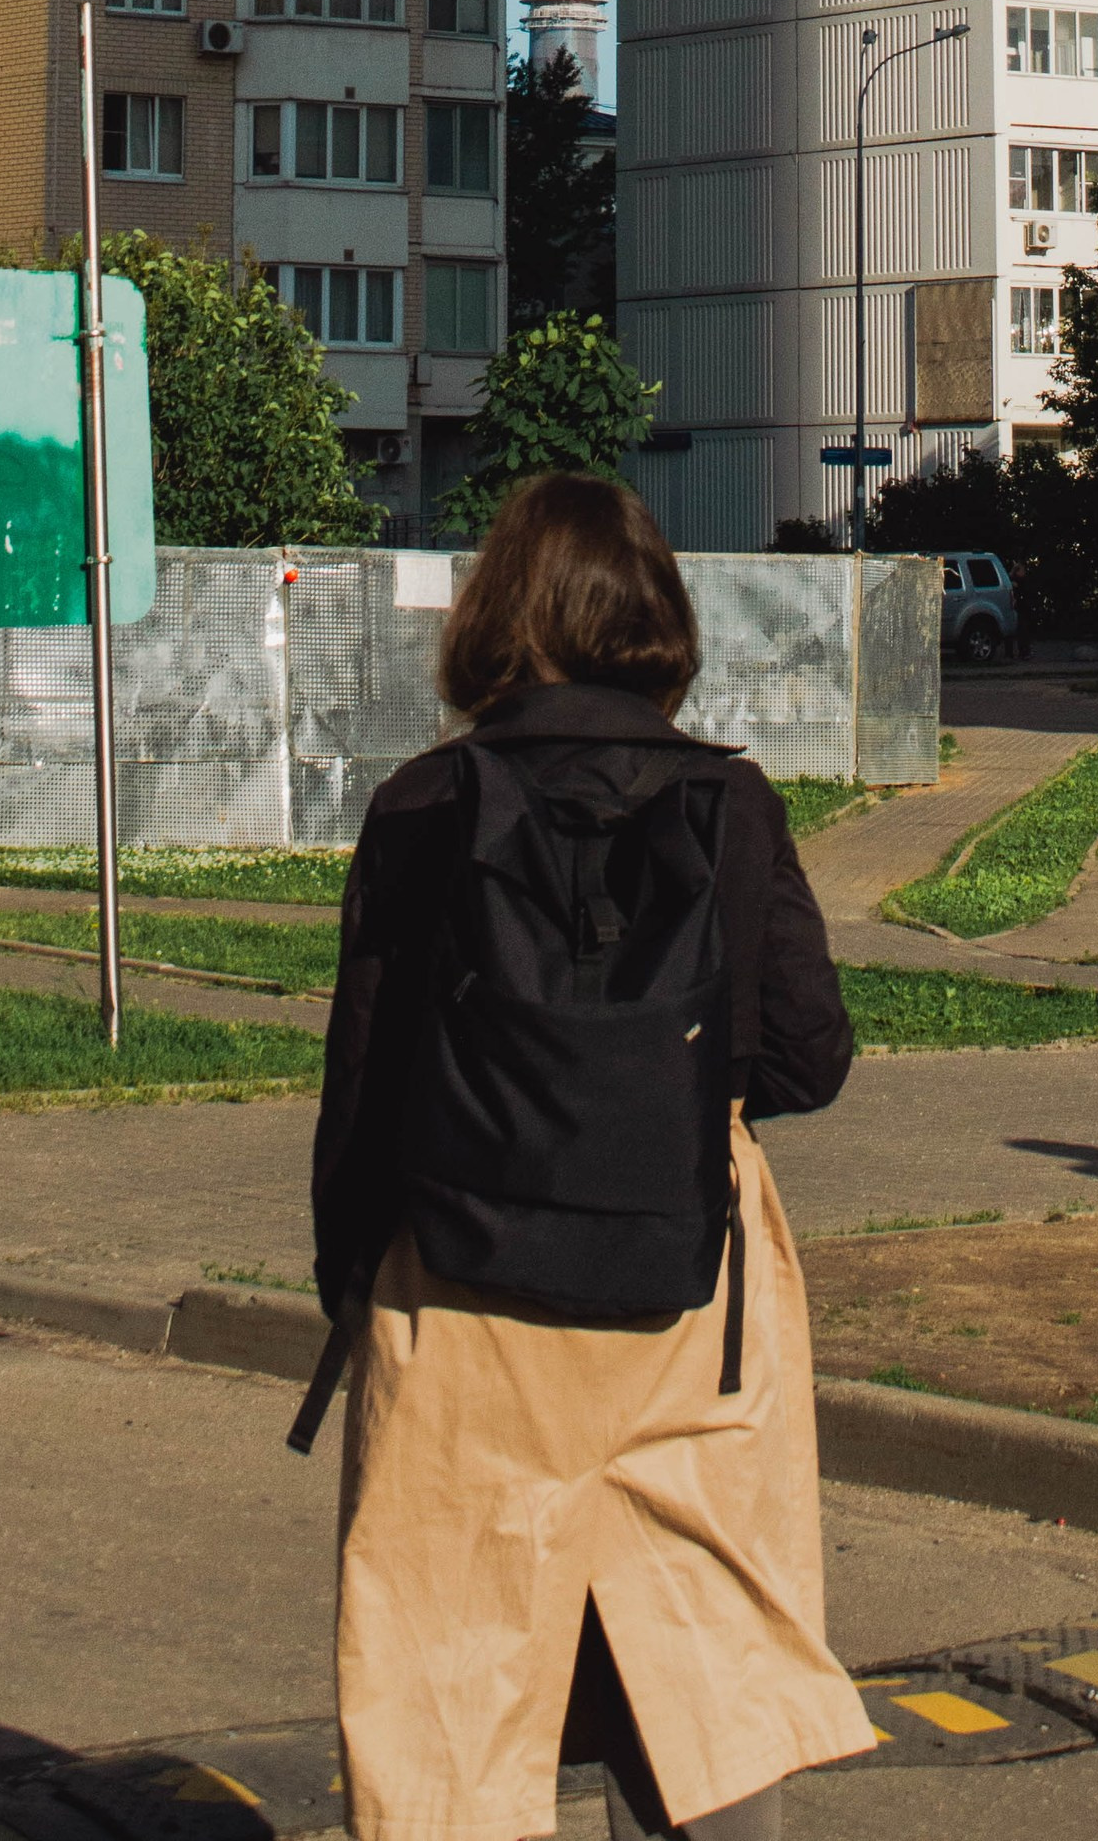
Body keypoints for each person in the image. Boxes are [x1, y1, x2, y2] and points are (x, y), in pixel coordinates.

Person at [309, 472, 872, 1841]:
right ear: (655, 618)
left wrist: (351, 1283)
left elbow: (368, 1089)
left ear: (494, 618)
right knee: (703, 1651)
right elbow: (811, 1055)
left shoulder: (423, 805)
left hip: (462, 1289)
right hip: (688, 1296)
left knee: (449, 1667)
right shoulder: (733, 807)